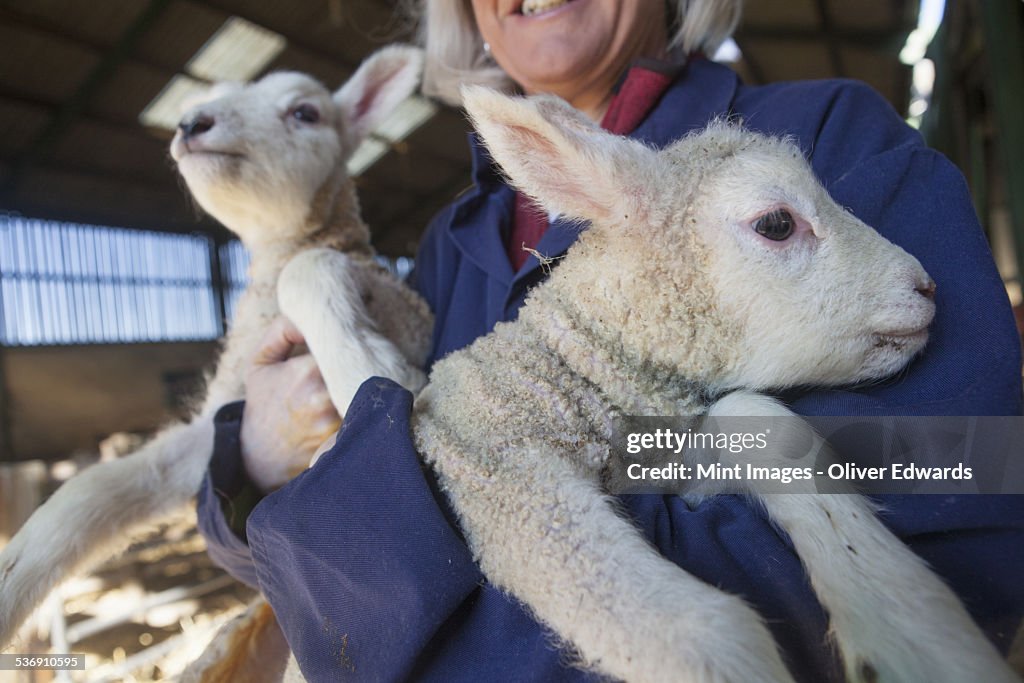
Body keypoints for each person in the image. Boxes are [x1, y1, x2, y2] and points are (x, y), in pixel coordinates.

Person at [197, 1, 1024, 681]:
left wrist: (466, 595)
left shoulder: (824, 136)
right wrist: (251, 465)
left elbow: (962, 462)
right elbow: (318, 546)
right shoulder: (449, 243)